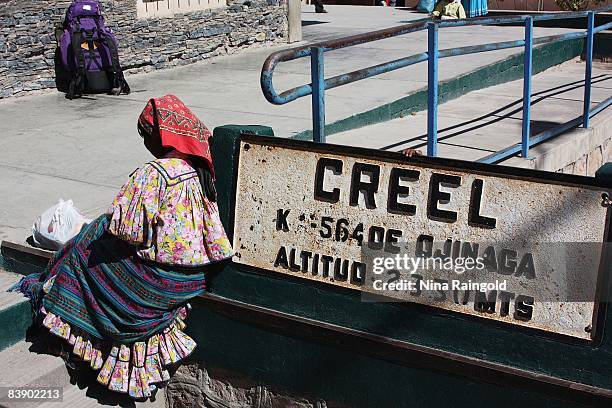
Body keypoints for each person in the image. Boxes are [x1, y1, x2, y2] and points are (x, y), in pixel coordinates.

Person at [10, 94, 233, 399]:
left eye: (146, 136)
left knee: (80, 254)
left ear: (159, 135)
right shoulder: (201, 172)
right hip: (190, 281)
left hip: (158, 282)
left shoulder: (154, 175)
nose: (146, 144)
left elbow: (125, 230)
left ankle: (70, 339)